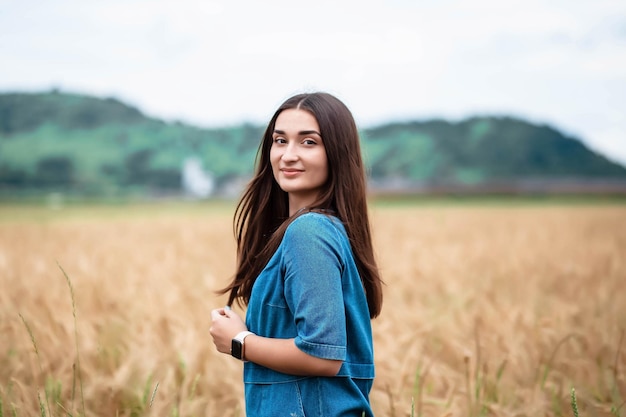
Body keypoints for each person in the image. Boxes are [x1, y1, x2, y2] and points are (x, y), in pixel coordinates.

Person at [209, 92, 384, 417]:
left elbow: (323, 355)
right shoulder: (319, 229)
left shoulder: (310, 232)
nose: (288, 155)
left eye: (308, 142)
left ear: (337, 153)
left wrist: (239, 341)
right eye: (280, 140)